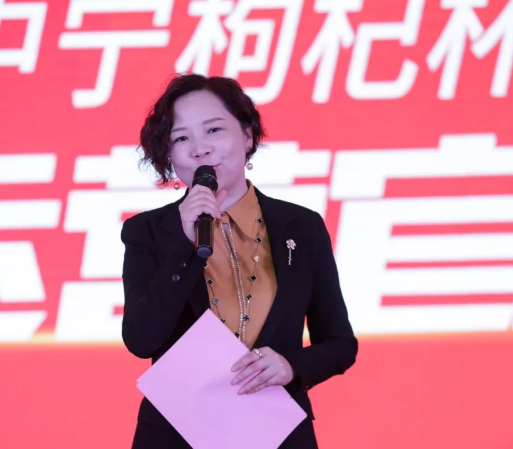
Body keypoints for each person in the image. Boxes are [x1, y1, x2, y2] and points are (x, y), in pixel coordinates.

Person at [121, 73, 358, 448]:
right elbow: (141, 339)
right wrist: (184, 244)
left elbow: (340, 343)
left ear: (247, 136)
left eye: (213, 130)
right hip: (177, 433)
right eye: (181, 138)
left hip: (275, 430)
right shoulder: (148, 231)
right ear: (169, 155)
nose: (200, 149)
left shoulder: (302, 226)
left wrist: (291, 367)